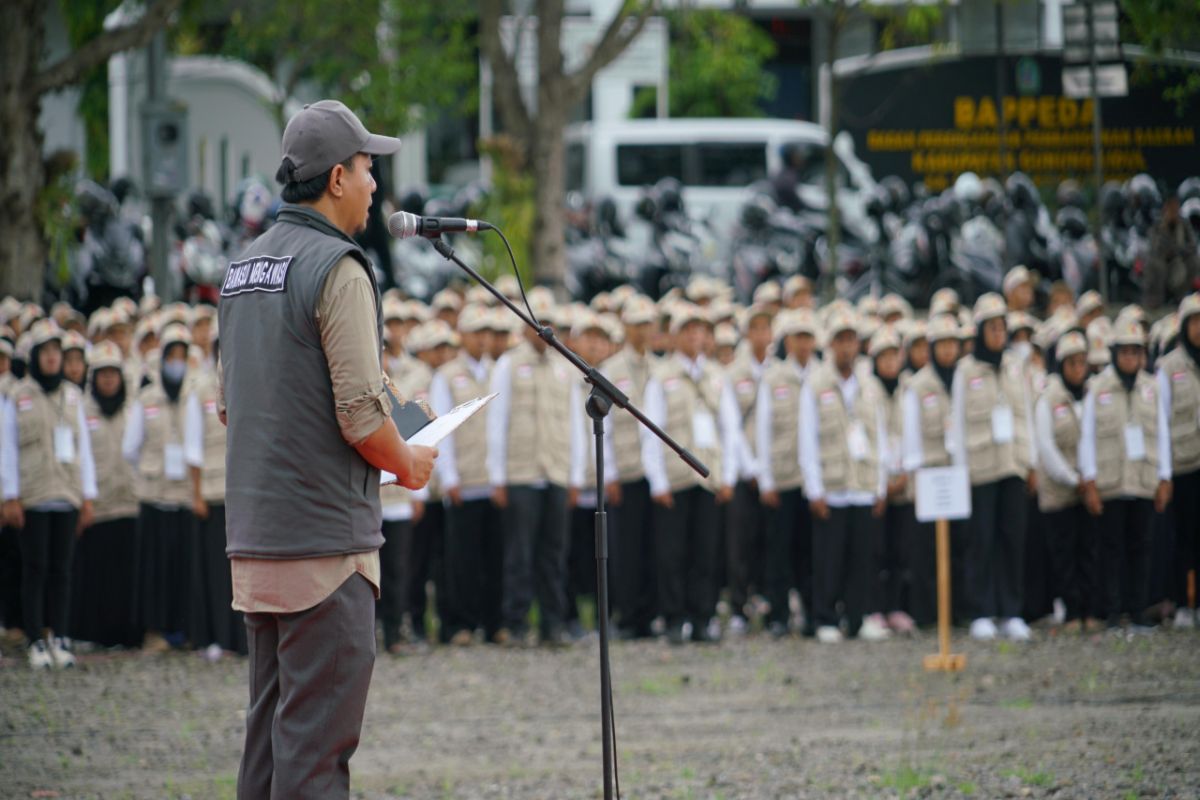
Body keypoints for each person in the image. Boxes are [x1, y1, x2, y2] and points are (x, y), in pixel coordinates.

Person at [218, 99, 436, 799]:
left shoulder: (243, 268)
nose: (377, 184)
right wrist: (410, 462)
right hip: (323, 553)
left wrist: (392, 413)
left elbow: (239, 403)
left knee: (270, 748)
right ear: (338, 178)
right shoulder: (341, 268)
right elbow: (356, 419)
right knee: (315, 758)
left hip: (258, 545)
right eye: (370, 168)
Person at [1, 320, 98, 669]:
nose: (54, 358)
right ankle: (34, 639)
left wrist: (87, 496)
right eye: (48, 352)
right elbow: (7, 449)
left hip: (67, 494)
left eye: (58, 352)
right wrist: (10, 495)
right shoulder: (18, 395)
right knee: (34, 568)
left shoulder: (73, 396)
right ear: (37, 356)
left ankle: (60, 636)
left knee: (62, 569)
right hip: (34, 494)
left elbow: (83, 448)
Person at [641, 303, 734, 644]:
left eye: (701, 331)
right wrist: (659, 481)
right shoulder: (662, 377)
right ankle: (674, 617)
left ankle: (703, 617)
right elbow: (650, 431)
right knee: (672, 553)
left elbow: (730, 430)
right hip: (676, 478)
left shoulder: (716, 376)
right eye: (689, 330)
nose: (696, 337)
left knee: (706, 552)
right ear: (676, 336)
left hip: (708, 477)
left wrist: (727, 476)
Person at [487, 295, 575, 646]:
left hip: (555, 469)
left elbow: (574, 425)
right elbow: (497, 421)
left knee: (554, 553)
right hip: (521, 472)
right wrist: (497, 476)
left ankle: (553, 623)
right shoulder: (508, 365)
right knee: (519, 553)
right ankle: (516, 622)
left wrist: (573, 475)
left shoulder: (564, 367)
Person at [799, 307, 890, 643]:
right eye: (840, 340)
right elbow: (807, 439)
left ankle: (858, 616)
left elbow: (878, 436)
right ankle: (825, 617)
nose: (847, 347)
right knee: (829, 557)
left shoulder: (869, 386)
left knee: (861, 557)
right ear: (830, 345)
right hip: (832, 485)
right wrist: (815, 489)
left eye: (852, 340)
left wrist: (880, 484)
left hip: (862, 484)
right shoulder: (816, 384)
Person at [950, 293, 1037, 642]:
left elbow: (1026, 416)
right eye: (993, 328)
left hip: (1012, 465)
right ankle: (982, 611)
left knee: (1012, 540)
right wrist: (960, 473)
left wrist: (1030, 462)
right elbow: (956, 424)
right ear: (980, 331)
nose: (999, 334)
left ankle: (1011, 611)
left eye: (1003, 328)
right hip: (980, 468)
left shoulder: (1017, 367)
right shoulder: (965, 371)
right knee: (981, 541)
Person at [1081, 318, 1172, 629]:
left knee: (1141, 546)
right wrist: (1089, 480)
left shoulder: (1152, 388)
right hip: (1111, 480)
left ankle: (1136, 610)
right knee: (1111, 548)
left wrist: (1165, 476)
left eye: (1136, 352)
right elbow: (1087, 436)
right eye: (1125, 352)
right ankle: (1112, 610)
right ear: (1115, 353)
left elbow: (1162, 433)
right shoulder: (1098, 388)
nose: (1130, 359)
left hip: (1144, 478)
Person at [123, 323, 197, 653]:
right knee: (154, 569)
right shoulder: (147, 397)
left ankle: (182, 629)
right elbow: (130, 447)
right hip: (154, 496)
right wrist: (147, 473)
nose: (177, 362)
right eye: (172, 356)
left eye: (183, 355)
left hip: (183, 497)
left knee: (183, 568)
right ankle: (153, 631)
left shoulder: (194, 394)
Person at [431, 305, 497, 645]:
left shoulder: (496, 372)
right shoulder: (447, 376)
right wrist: (450, 477)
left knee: (494, 556)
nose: (483, 339)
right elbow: (443, 429)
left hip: (492, 478)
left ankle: (492, 621)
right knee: (463, 559)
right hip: (464, 479)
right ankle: (462, 624)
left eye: (487, 333)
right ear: (463, 336)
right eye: (476, 333)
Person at [70, 341, 141, 649]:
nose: (109, 379)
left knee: (127, 578)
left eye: (114, 373)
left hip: (129, 505)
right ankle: (93, 634)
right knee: (96, 577)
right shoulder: (82, 411)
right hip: (98, 507)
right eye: (103, 373)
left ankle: (127, 635)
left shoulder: (131, 409)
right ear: (93, 377)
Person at [1033, 332, 1102, 633]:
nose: (1078, 369)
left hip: (1088, 487)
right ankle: (1071, 611)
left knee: (1089, 550)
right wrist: (1073, 479)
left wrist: (1089, 479)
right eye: (1071, 363)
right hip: (1060, 489)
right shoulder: (1048, 397)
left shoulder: (1093, 394)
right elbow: (1046, 447)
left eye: (1082, 362)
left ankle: (1090, 609)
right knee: (1064, 553)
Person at [183, 333, 246, 659]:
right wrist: (195, 493)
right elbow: (193, 447)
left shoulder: (252, 382)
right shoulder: (201, 390)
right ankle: (218, 637)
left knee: (245, 569)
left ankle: (243, 638)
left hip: (245, 492)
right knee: (216, 570)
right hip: (211, 492)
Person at [755, 308, 817, 637]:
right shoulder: (774, 377)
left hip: (815, 480)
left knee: (811, 550)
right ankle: (778, 614)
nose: (803, 344)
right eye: (798, 337)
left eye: (808, 337)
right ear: (788, 341)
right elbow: (763, 430)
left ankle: (811, 611)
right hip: (783, 475)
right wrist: (766, 478)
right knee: (779, 550)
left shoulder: (821, 375)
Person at [602, 295, 660, 639]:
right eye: (637, 325)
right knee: (625, 547)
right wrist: (609, 473)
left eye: (647, 324)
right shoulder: (612, 370)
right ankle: (626, 616)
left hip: (654, 471)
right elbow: (604, 426)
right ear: (625, 328)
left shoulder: (661, 367)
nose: (643, 331)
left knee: (653, 546)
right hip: (625, 469)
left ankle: (649, 614)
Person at [902, 314, 964, 627]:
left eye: (953, 344)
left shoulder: (965, 378)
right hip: (929, 472)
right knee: (927, 550)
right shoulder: (918, 385)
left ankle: (955, 611)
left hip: (957, 473)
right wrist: (914, 477)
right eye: (942, 345)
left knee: (957, 547)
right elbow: (911, 436)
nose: (948, 351)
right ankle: (927, 613)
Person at [722, 303, 775, 629]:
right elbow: (733, 428)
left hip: (773, 471)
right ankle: (739, 605)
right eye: (755, 328)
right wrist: (752, 467)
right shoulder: (732, 373)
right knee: (739, 542)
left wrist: (766, 470)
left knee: (770, 541)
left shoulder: (776, 371)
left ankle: (768, 600)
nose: (761, 334)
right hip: (745, 470)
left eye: (766, 328)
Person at [1155, 293, 1200, 627]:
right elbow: (1161, 420)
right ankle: (1183, 604)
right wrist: (1165, 472)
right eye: (1194, 323)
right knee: (1184, 536)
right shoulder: (1169, 367)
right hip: (1184, 464)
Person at [1144, 197, 1200, 310]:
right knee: (1153, 264)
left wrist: (1180, 250)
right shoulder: (1158, 225)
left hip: (1179, 260)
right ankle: (1156, 299)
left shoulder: (1184, 225)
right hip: (1161, 260)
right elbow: (1153, 246)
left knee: (1194, 262)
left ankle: (1180, 297)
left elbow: (1192, 245)